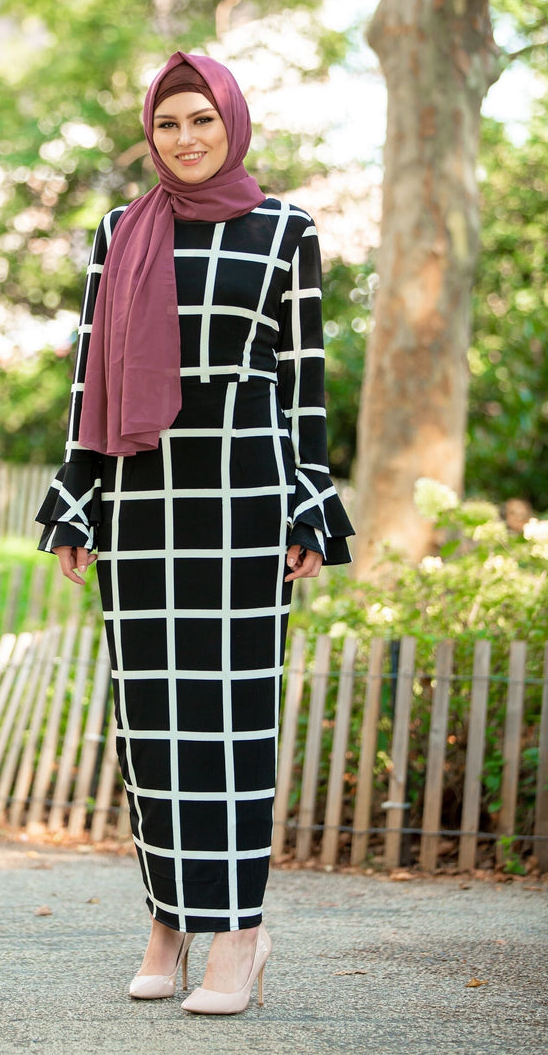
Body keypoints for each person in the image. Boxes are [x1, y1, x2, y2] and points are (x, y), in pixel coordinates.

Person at [36, 50, 354, 1015]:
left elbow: (303, 383)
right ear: (152, 131)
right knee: (154, 723)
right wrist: (76, 498)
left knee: (231, 716)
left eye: (201, 121)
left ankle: (240, 937)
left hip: (243, 492)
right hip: (142, 496)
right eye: (168, 123)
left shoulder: (286, 228)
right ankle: (169, 923)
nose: (184, 139)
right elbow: (92, 375)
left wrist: (309, 499)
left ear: (232, 123)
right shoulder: (118, 232)